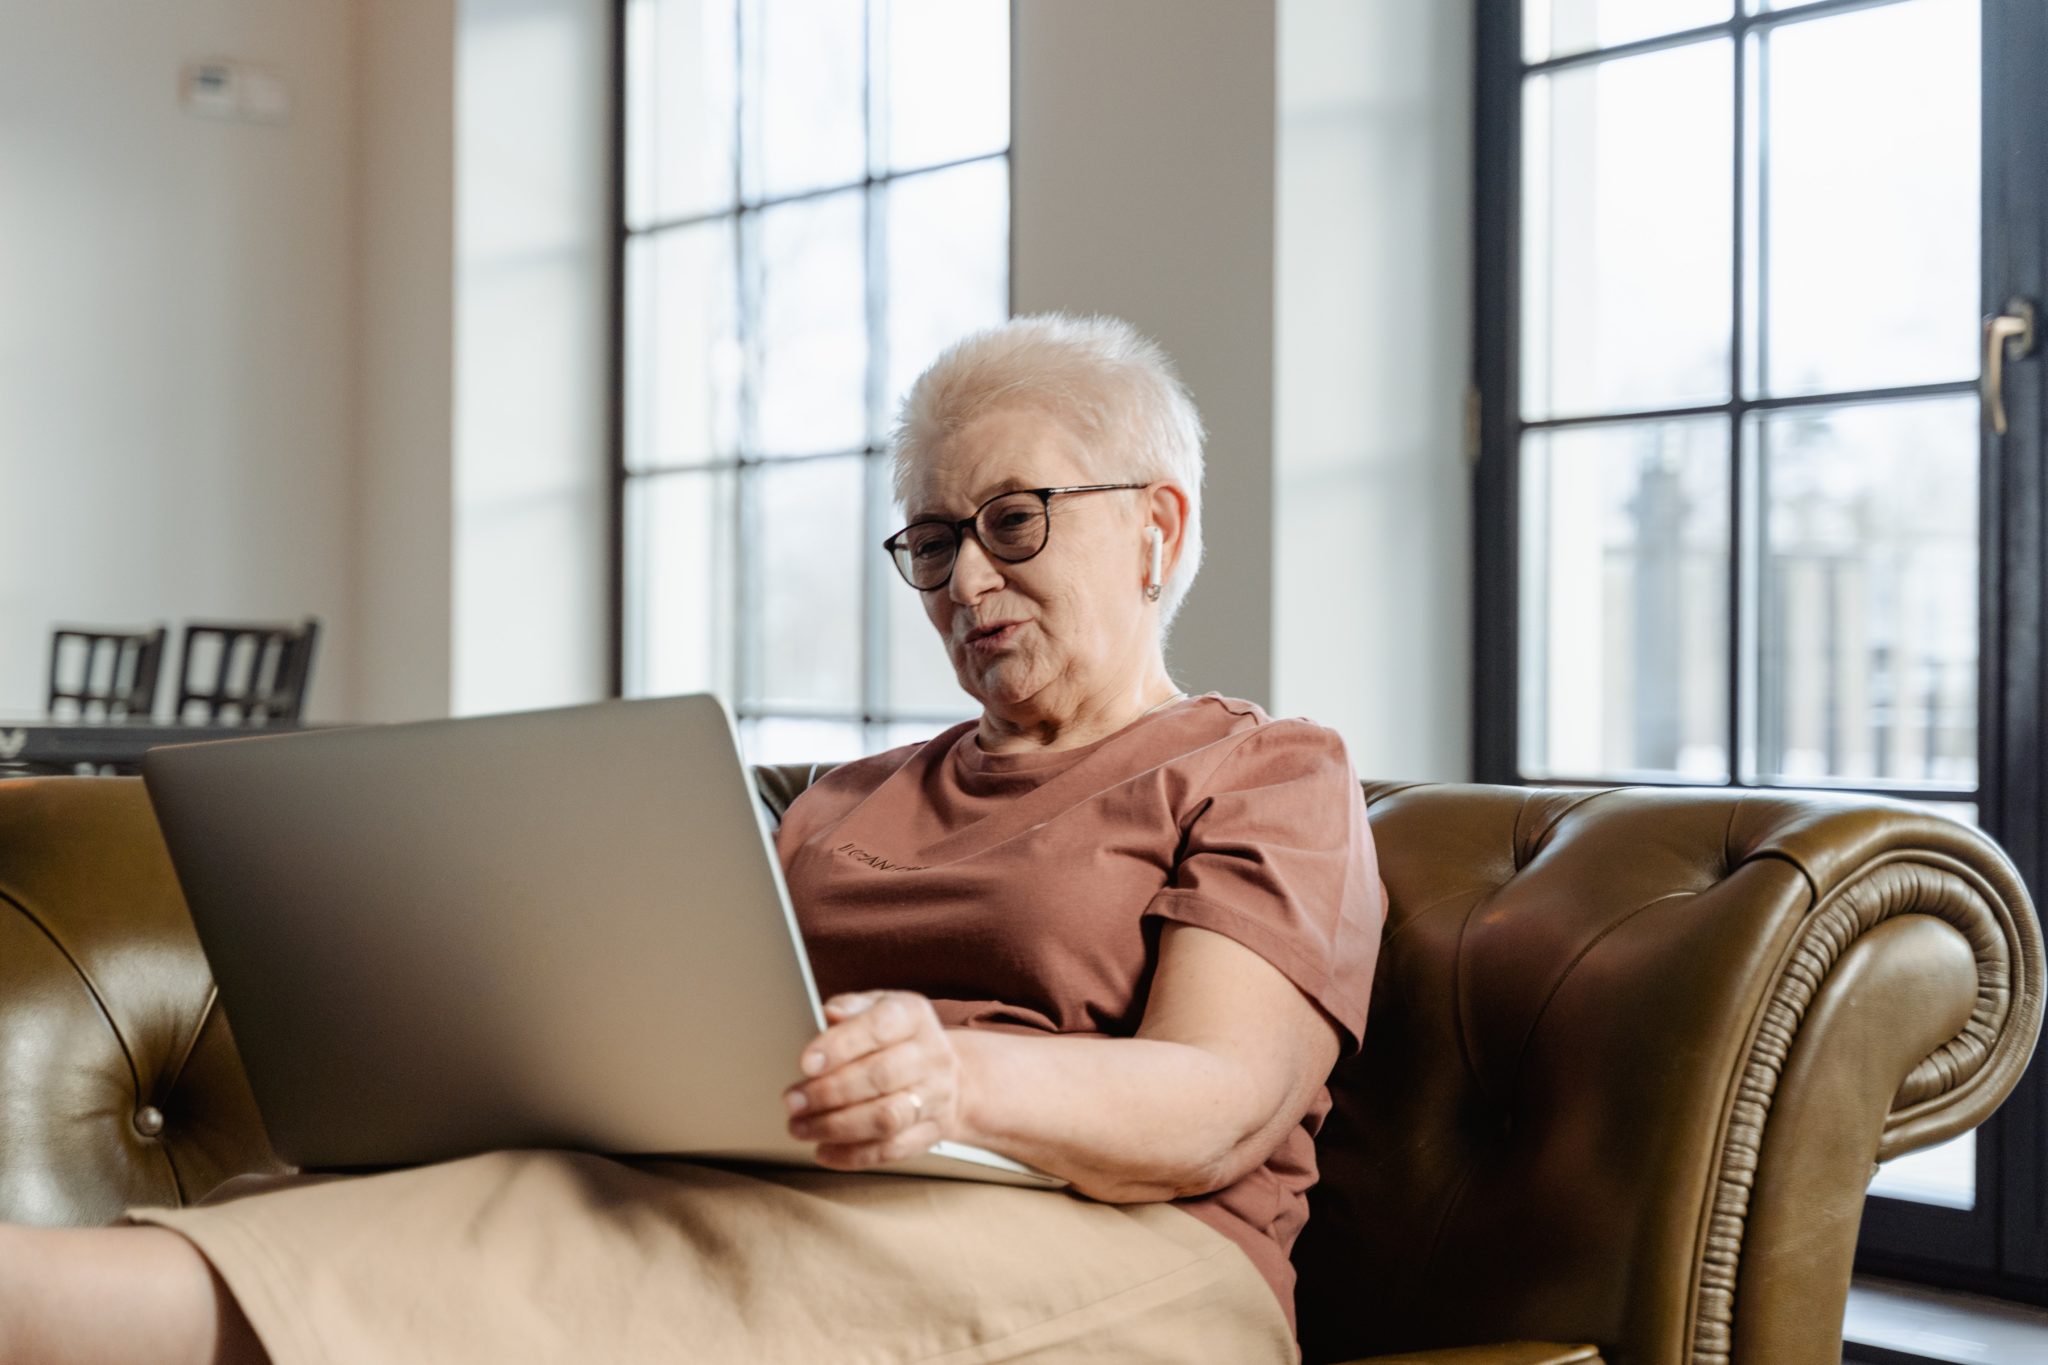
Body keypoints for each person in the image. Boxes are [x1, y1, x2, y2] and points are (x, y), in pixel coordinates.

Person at [0, 314, 1384, 1364]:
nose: (967, 578)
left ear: (1157, 529)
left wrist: (952, 1081)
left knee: (592, 1242)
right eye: (929, 541)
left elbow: (1215, 1100)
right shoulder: (847, 796)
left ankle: (45, 1307)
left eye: (1011, 520)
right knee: (510, 1191)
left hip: (1128, 1253)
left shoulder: (1263, 769)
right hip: (792, 1189)